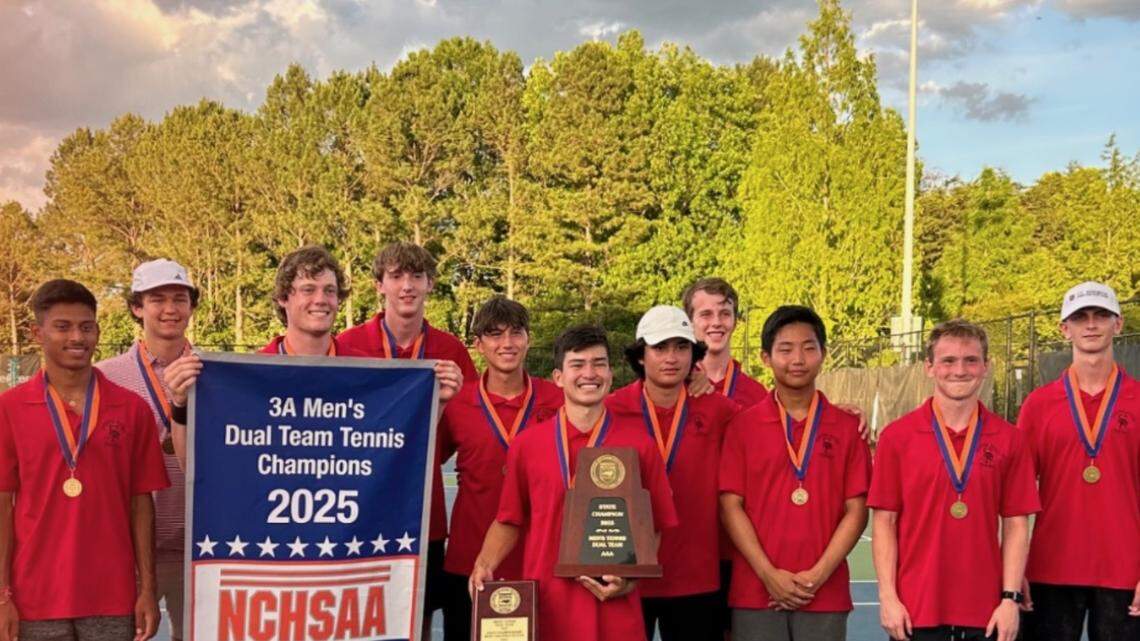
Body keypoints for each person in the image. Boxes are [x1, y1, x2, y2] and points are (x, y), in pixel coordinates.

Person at [469, 325, 679, 641]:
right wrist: (484, 564)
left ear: (611, 374)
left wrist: (631, 580)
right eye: (577, 365)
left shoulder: (640, 446)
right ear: (558, 377)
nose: (589, 373)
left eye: (599, 364)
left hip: (613, 610)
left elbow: (655, 526)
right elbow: (509, 519)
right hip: (547, 606)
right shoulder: (528, 445)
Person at [0, 280, 169, 641]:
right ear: (37, 332)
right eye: (63, 326)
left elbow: (142, 505)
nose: (77, 337)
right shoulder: (9, 409)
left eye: (86, 326)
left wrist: (147, 589)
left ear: (97, 331)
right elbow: (2, 507)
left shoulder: (132, 409)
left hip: (112, 595)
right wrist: (3, 595)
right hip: (34, 597)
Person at [870, 319, 1040, 641]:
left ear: (986, 367)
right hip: (914, 610)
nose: (959, 370)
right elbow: (884, 523)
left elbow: (1017, 524)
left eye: (970, 360)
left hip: (986, 612)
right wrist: (888, 597)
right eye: (948, 360)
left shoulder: (1010, 440)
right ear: (929, 367)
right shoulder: (897, 438)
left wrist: (1009, 599)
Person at [336, 241, 473, 627]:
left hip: (423, 510)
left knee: (420, 618)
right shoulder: (346, 345)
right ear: (380, 285)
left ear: (430, 284)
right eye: (396, 277)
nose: (407, 286)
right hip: (359, 510)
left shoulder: (450, 351)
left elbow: (469, 432)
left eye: (416, 276)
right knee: (361, 619)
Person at [719, 305, 870, 641]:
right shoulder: (742, 427)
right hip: (756, 592)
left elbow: (857, 510)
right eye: (785, 349)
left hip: (824, 592)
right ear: (765, 358)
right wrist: (767, 573)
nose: (798, 359)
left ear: (823, 354)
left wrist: (817, 575)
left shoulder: (847, 428)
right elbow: (730, 506)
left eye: (808, 347)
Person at [607, 305, 739, 641]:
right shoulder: (610, 409)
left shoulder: (719, 410)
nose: (671, 357)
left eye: (681, 347)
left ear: (693, 355)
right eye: (660, 347)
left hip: (696, 576)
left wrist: (841, 411)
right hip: (628, 574)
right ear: (641, 355)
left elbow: (774, 423)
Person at [435, 296, 563, 640]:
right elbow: (422, 457)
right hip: (470, 560)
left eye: (516, 333)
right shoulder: (456, 402)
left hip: (539, 560)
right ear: (478, 345)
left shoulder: (558, 399)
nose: (507, 343)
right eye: (494, 334)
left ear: (528, 338)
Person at [1018, 282, 1140, 641]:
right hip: (1049, 570)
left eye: (1100, 315)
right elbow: (1016, 499)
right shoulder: (1038, 406)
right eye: (1080, 317)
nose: (1090, 324)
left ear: (1117, 324)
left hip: (1125, 571)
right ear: (1064, 328)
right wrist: (1016, 570)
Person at [96, 260, 197, 641]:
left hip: (195, 545)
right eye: (157, 299)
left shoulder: (215, 371)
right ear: (138, 307)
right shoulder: (105, 377)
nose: (170, 309)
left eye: (179, 298)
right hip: (131, 551)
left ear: (191, 307)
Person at [683, 278, 767, 408]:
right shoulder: (675, 387)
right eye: (706, 314)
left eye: (725, 314)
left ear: (735, 322)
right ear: (689, 323)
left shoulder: (757, 395)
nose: (716, 322)